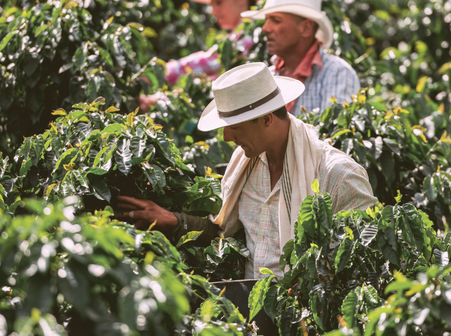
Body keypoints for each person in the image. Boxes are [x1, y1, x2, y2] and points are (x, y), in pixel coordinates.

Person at [116, 63, 377, 279]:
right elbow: (222, 231)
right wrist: (174, 220)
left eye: (235, 127)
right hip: (253, 316)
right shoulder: (246, 164)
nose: (227, 136)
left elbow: (366, 263)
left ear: (266, 120)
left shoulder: (338, 175)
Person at [140, 0, 260, 111]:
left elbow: (212, 61)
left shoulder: (252, 32)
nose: (214, 11)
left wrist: (158, 74)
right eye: (212, 4)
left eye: (219, 2)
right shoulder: (238, 35)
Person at [243, 0, 361, 115]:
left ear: (306, 28)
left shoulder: (336, 73)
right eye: (266, 20)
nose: (265, 28)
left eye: (276, 20)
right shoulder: (268, 77)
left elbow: (334, 133)